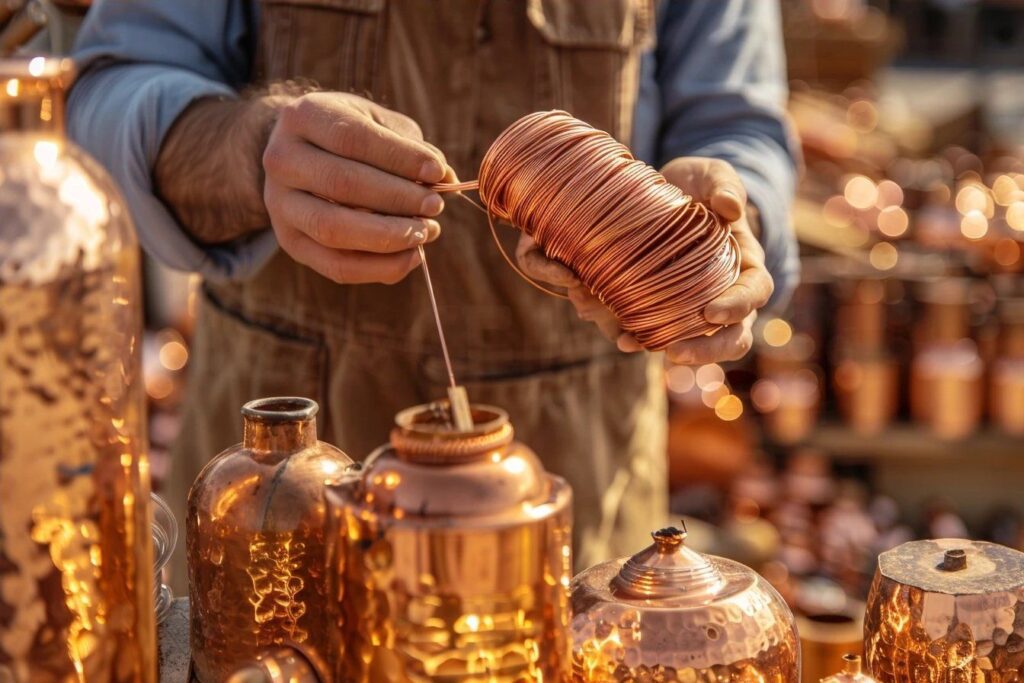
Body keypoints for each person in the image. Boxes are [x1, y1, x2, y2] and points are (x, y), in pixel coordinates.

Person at [68, 0, 799, 589]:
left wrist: (732, 224)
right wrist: (245, 148)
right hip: (277, 517)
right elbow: (105, 91)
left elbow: (739, 127)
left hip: (576, 506)